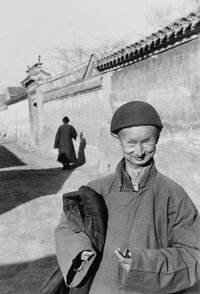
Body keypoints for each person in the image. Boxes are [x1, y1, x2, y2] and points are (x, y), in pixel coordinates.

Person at [55, 101, 200, 294]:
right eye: (131, 143)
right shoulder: (97, 190)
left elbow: (193, 254)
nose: (139, 152)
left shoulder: (173, 195)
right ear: (117, 139)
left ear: (157, 137)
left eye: (147, 141)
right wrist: (80, 249)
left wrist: (141, 264)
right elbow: (68, 226)